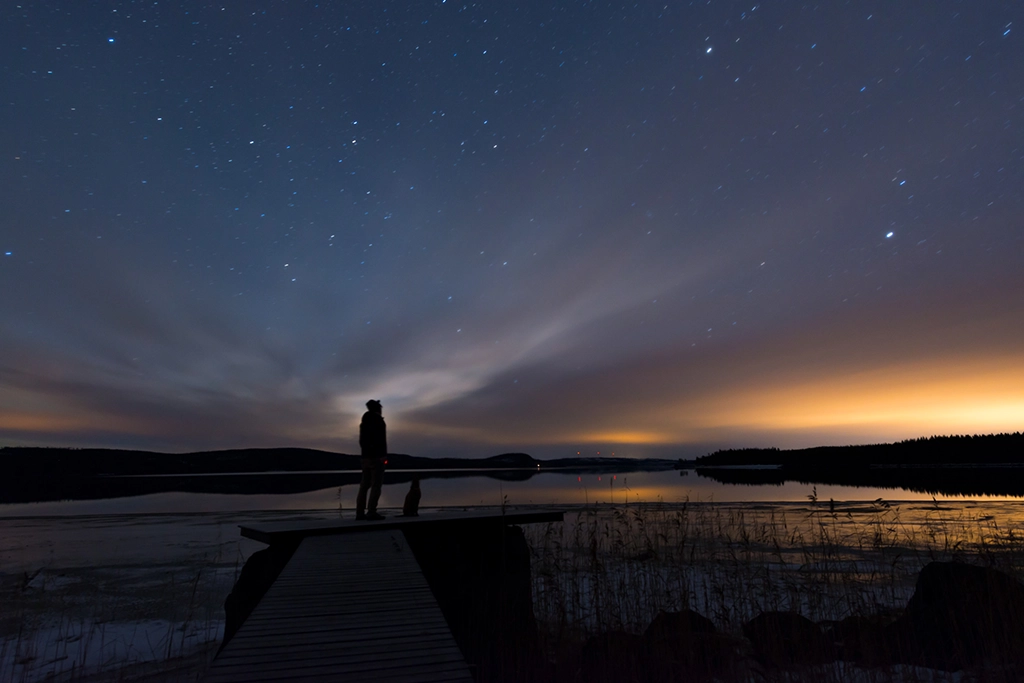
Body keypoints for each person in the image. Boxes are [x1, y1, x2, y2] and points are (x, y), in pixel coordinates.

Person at [355, 399, 387, 521]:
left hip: (365, 457)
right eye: (380, 407)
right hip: (377, 458)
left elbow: (362, 441)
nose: (381, 409)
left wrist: (366, 453)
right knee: (376, 485)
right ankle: (371, 512)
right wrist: (382, 455)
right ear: (377, 408)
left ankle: (359, 512)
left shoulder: (364, 422)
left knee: (364, 485)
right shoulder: (378, 420)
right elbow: (380, 440)